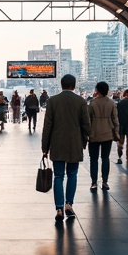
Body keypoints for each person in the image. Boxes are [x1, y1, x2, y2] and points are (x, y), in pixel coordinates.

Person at [41, 73, 91, 221]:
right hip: (74, 144)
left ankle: (59, 209)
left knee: (58, 176)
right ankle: (69, 203)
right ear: (73, 85)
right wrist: (86, 138)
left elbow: (47, 126)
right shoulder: (81, 101)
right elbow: (86, 125)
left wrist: (45, 147)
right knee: (72, 175)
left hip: (57, 144)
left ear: (61, 85)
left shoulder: (53, 101)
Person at [87, 81, 120, 190]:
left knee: (93, 159)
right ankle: (105, 181)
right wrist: (116, 133)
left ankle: (93, 182)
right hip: (107, 134)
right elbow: (115, 120)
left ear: (97, 90)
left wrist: (86, 134)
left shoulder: (92, 103)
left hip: (94, 134)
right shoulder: (111, 103)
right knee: (105, 158)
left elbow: (88, 120)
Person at [116, 88, 128, 164]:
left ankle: (119, 155)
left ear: (124, 95)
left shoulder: (119, 104)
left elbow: (116, 115)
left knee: (121, 141)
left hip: (121, 124)